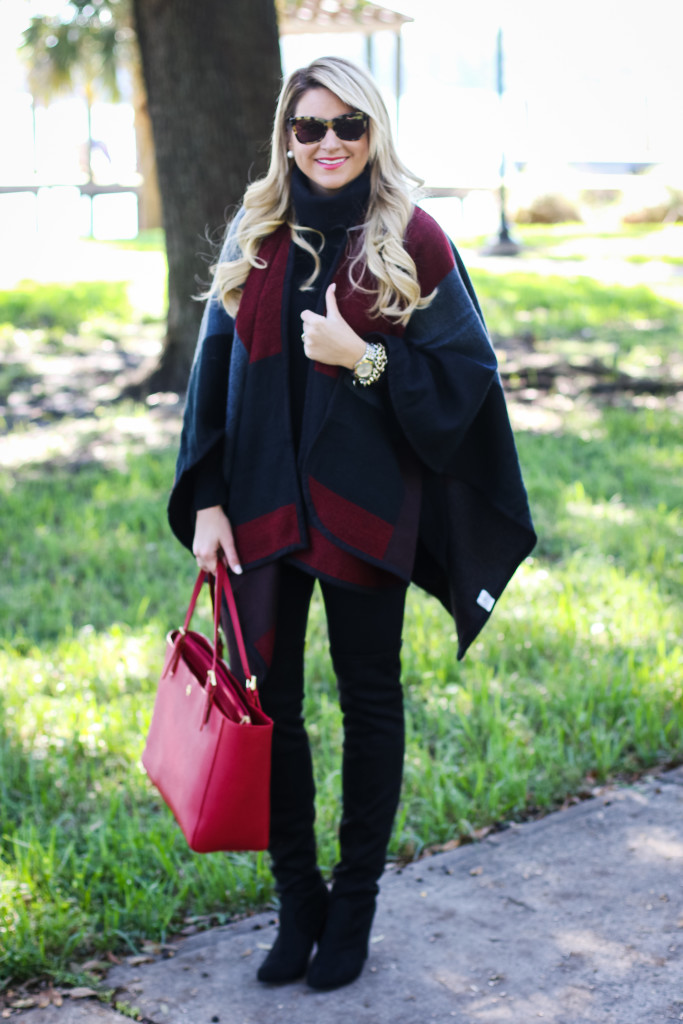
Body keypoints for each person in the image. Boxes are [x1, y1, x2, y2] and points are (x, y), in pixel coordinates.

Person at [168, 56, 535, 991]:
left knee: (368, 702)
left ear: (374, 132)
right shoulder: (255, 236)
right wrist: (206, 497)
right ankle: (299, 905)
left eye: (348, 127)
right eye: (309, 127)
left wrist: (360, 357)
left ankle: (354, 904)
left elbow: (464, 385)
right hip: (257, 509)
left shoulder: (412, 239)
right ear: (285, 136)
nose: (327, 144)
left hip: (365, 515)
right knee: (272, 711)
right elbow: (211, 379)